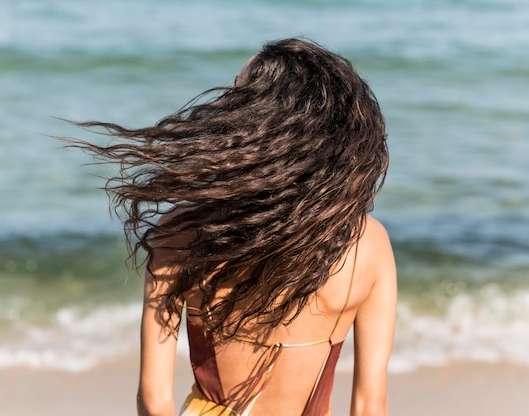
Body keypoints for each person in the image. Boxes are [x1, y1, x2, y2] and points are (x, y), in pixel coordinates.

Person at [72, 38, 396, 416]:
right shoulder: (368, 244)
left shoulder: (181, 232)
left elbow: (153, 399)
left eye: (238, 95)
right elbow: (370, 404)